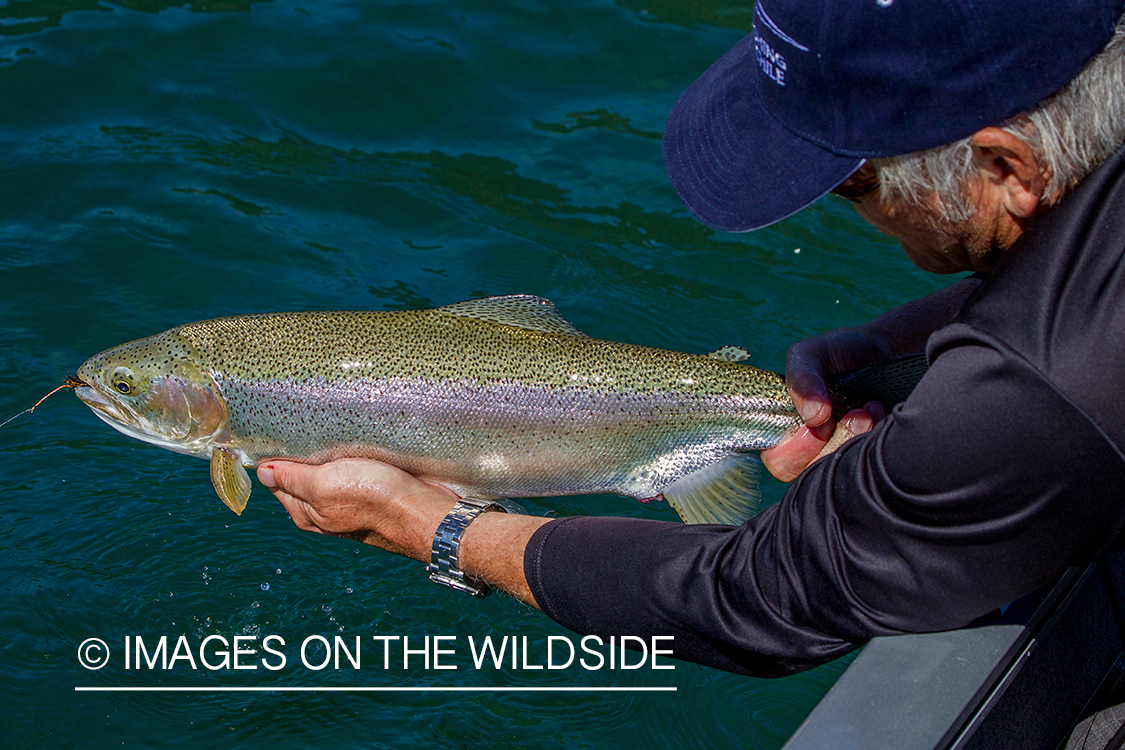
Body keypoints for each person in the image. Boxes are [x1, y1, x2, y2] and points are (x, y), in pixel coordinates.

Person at [257, 0, 1125, 677]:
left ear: (1007, 169)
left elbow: (761, 598)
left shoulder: (1035, 390)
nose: (852, 213)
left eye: (846, 185)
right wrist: (901, 338)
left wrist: (431, 527)